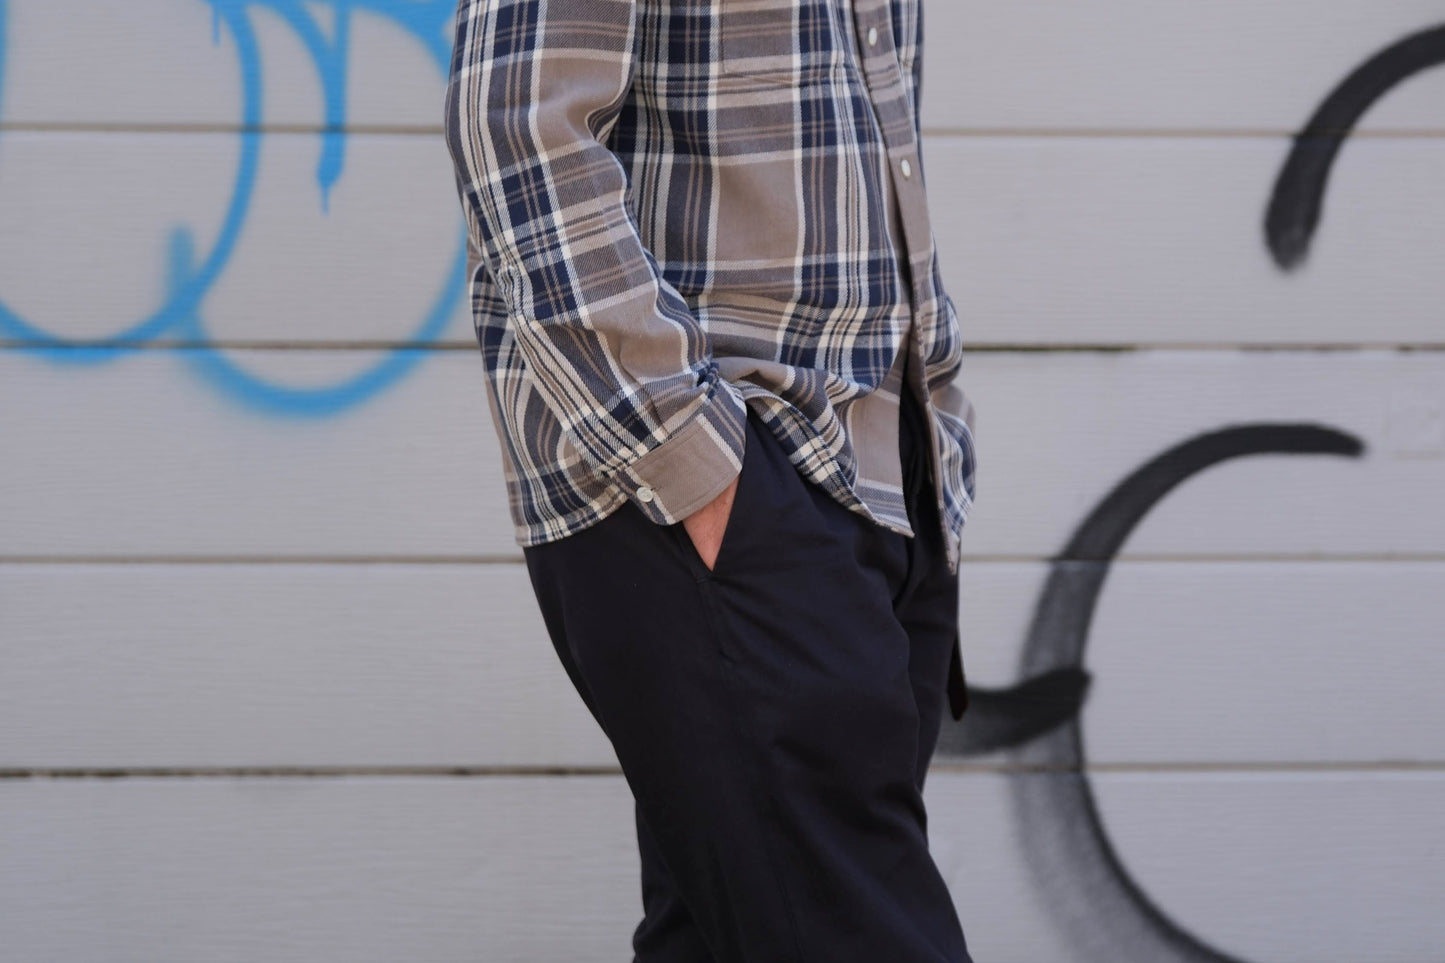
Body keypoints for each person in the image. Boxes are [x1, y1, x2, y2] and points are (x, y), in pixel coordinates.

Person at [443, 0, 979, 959]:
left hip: (882, 468)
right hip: (714, 485)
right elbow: (518, 127)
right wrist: (693, 464)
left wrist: (928, 418)